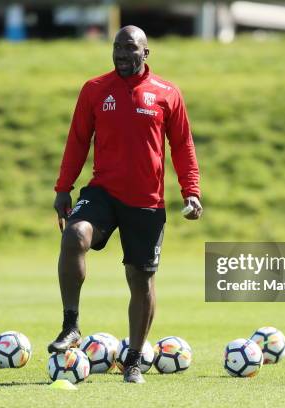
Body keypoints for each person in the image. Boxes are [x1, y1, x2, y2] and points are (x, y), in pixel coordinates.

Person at [48, 25, 202, 384]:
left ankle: (133, 359)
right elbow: (77, 141)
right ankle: (71, 325)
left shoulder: (167, 94)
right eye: (116, 46)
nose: (120, 53)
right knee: (74, 236)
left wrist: (191, 191)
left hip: (146, 201)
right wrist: (63, 188)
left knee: (141, 278)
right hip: (102, 192)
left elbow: (182, 146)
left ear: (146, 53)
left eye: (129, 47)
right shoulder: (94, 90)